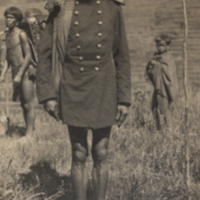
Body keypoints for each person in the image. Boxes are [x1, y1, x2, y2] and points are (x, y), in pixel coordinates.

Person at [36, 0, 131, 199]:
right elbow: (45, 54)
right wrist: (47, 94)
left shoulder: (112, 8)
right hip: (72, 86)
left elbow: (121, 54)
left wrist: (124, 97)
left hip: (103, 87)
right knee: (79, 152)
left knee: (101, 151)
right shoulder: (61, 9)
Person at [1, 7, 35, 136]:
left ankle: (30, 135)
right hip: (15, 72)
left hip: (25, 72)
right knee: (22, 103)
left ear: (17, 20)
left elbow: (28, 56)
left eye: (11, 18)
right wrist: (3, 74)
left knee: (28, 103)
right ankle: (28, 130)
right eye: (7, 17)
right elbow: (8, 59)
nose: (8, 20)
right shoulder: (7, 35)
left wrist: (20, 74)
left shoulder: (21, 34)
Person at [146, 34, 178, 130]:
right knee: (154, 107)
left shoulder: (168, 57)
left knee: (164, 109)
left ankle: (168, 129)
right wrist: (151, 67)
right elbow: (150, 72)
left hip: (165, 88)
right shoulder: (156, 56)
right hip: (158, 86)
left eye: (162, 46)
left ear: (167, 46)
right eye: (158, 46)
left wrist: (158, 65)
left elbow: (170, 73)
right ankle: (158, 128)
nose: (160, 48)